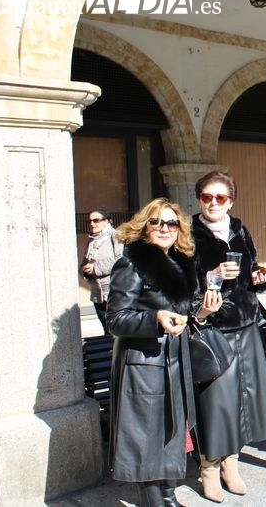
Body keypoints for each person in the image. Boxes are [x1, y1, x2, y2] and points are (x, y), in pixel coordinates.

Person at [107, 198, 222, 507]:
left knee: (173, 430)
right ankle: (154, 501)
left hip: (175, 359)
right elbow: (115, 319)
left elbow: (184, 315)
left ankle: (168, 494)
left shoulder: (181, 261)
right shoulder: (131, 263)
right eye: (156, 222)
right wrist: (154, 320)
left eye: (171, 223)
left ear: (179, 229)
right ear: (144, 227)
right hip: (143, 363)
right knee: (148, 435)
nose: (164, 228)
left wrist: (203, 311)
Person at [190, 171, 266, 502]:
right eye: (207, 197)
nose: (214, 203)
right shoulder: (188, 234)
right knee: (216, 403)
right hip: (213, 328)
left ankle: (232, 463)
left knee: (243, 399)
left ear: (232, 200)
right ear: (199, 199)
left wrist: (257, 278)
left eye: (221, 197)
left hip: (245, 323)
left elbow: (251, 276)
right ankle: (209, 467)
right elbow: (182, 284)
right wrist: (210, 276)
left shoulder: (239, 228)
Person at [80, 207, 122, 332]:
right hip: (97, 294)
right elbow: (84, 263)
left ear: (108, 221)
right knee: (106, 330)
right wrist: (84, 269)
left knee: (116, 330)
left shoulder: (116, 235)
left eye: (96, 220)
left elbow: (120, 260)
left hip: (114, 291)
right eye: (90, 221)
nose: (92, 224)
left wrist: (95, 268)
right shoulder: (91, 241)